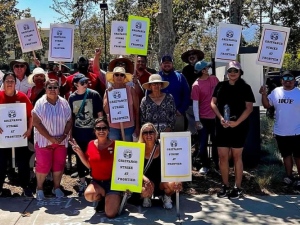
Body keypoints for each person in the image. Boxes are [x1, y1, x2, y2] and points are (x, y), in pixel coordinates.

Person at [211, 61, 255, 199]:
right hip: (222, 126)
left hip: (239, 127)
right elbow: (213, 103)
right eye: (230, 70)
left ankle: (238, 187)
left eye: (235, 71)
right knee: (223, 157)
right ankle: (225, 185)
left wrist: (237, 123)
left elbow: (249, 108)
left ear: (240, 72)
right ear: (227, 72)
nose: (233, 73)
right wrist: (220, 118)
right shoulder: (220, 85)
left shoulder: (245, 87)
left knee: (237, 157)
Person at [69, 117, 121, 218]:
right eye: (98, 128)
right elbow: (89, 165)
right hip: (97, 182)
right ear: (94, 131)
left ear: (108, 130)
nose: (101, 131)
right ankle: (101, 199)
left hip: (112, 183)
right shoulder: (91, 144)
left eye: (104, 128)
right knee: (89, 195)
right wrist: (79, 152)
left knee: (110, 214)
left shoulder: (116, 145)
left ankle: (116, 197)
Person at [32, 79, 72, 200]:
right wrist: (50, 138)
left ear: (59, 89)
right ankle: (39, 188)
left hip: (61, 141)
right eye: (50, 87)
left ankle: (57, 187)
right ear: (46, 89)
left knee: (59, 165)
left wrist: (64, 135)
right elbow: (36, 123)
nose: (52, 90)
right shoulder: (40, 103)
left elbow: (70, 120)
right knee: (43, 166)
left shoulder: (64, 103)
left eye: (55, 87)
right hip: (44, 141)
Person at [260, 70, 300, 186]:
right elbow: (267, 105)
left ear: (294, 81)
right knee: (286, 155)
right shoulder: (276, 92)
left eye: (291, 80)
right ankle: (289, 176)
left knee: (298, 156)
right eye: (286, 80)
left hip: (297, 131)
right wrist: (263, 94)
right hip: (281, 131)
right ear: (282, 81)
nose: (288, 82)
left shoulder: (298, 93)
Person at [68, 73, 104, 196]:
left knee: (94, 158)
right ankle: (82, 182)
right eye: (82, 82)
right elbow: (71, 118)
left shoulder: (94, 95)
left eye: (86, 82)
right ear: (76, 85)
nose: (85, 84)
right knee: (79, 158)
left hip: (92, 134)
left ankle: (95, 181)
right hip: (79, 133)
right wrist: (70, 134)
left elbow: (100, 114)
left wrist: (100, 131)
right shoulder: (72, 98)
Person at [0, 72, 33, 197]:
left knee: (22, 162)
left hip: (20, 135)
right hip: (3, 137)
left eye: (12, 81)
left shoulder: (23, 97)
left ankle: (26, 186)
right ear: (3, 83)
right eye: (7, 81)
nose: (9, 83)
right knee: (1, 162)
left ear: (15, 83)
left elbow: (31, 115)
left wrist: (29, 129)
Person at [138, 123, 182, 209]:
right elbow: (135, 169)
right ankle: (147, 197)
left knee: (174, 183)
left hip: (162, 180)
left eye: (151, 132)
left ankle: (166, 197)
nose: (148, 135)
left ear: (155, 133)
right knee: (144, 189)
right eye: (145, 133)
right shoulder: (138, 148)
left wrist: (179, 177)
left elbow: (174, 161)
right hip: (146, 180)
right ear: (142, 135)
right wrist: (145, 179)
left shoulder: (164, 145)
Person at [191, 61, 219, 175]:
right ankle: (205, 165)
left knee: (216, 142)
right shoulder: (196, 85)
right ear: (203, 71)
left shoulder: (214, 79)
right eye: (207, 67)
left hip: (216, 117)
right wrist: (197, 120)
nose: (209, 68)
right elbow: (195, 104)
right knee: (203, 144)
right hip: (203, 118)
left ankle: (217, 165)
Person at [103, 67, 140, 141]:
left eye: (122, 75)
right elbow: (106, 110)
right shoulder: (108, 91)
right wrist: (109, 95)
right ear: (113, 77)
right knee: (115, 151)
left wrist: (137, 127)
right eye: (116, 75)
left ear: (124, 77)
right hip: (113, 127)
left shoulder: (131, 90)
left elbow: (137, 110)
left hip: (129, 127)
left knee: (128, 149)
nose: (119, 77)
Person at [158, 55, 190, 131]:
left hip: (177, 115)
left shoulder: (180, 77)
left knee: (177, 140)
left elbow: (187, 95)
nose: (167, 64)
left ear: (172, 64)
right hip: (160, 116)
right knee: (162, 140)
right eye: (164, 63)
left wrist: (181, 109)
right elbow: (149, 95)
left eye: (169, 62)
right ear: (161, 65)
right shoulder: (156, 77)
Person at [181, 50, 205, 138]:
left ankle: (202, 149)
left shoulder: (203, 68)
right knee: (193, 128)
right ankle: (195, 148)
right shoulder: (185, 70)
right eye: (189, 55)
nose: (191, 56)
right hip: (190, 104)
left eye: (193, 54)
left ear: (197, 56)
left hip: (203, 104)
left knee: (203, 129)